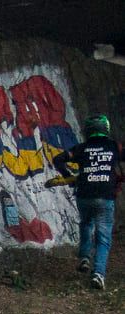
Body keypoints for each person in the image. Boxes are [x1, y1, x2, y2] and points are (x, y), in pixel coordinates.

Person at [56, 113, 119, 291]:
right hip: (105, 197)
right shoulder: (114, 147)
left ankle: (84, 257)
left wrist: (69, 177)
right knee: (103, 238)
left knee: (86, 223)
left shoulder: (81, 149)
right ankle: (98, 274)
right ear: (106, 129)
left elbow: (58, 159)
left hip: (84, 195)